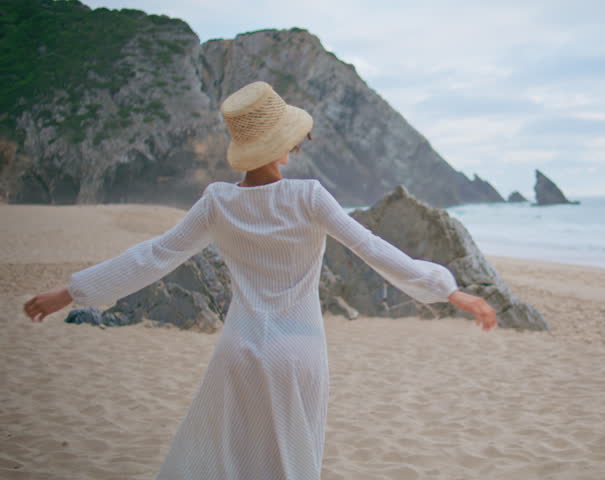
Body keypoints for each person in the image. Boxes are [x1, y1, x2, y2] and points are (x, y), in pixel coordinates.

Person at [22, 80, 497, 479]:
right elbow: (372, 248)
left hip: (241, 352)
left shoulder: (217, 201)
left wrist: (69, 292)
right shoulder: (309, 197)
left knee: (229, 464)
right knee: (291, 465)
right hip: (299, 355)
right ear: (284, 143)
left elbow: (153, 257)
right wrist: (448, 291)